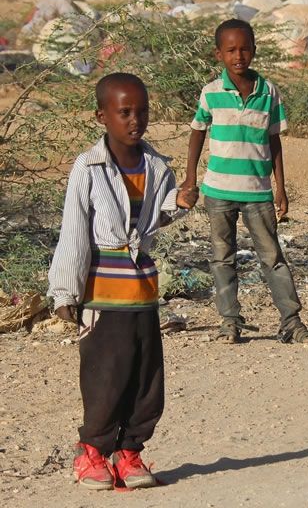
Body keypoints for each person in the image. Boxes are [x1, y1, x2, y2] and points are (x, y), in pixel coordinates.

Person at [48, 72, 196, 490]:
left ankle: (129, 453)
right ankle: (91, 453)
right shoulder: (88, 167)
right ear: (102, 116)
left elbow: (158, 217)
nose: (136, 120)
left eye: (142, 111)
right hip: (102, 293)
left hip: (142, 293)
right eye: (125, 112)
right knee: (105, 377)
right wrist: (65, 291)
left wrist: (180, 203)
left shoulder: (156, 166)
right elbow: (74, 230)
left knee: (147, 381)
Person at [178, 19, 308, 346]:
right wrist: (190, 179)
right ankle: (230, 322)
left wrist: (280, 187)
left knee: (272, 257)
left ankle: (292, 322)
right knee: (221, 257)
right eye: (230, 50)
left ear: (254, 51)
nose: (238, 56)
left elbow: (274, 143)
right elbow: (197, 134)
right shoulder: (211, 93)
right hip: (217, 192)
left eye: (244, 49)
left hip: (258, 192)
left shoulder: (269, 92)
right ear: (219, 54)